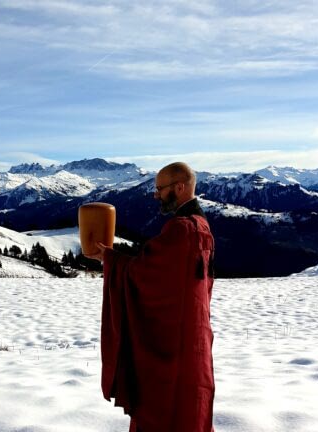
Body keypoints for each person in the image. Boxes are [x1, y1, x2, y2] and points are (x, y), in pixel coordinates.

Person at [87, 162, 215, 432]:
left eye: (160, 189)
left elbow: (143, 273)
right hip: (195, 339)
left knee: (164, 410)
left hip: (172, 345)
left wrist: (109, 258)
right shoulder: (202, 226)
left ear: (179, 187)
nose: (156, 195)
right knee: (191, 407)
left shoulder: (181, 230)